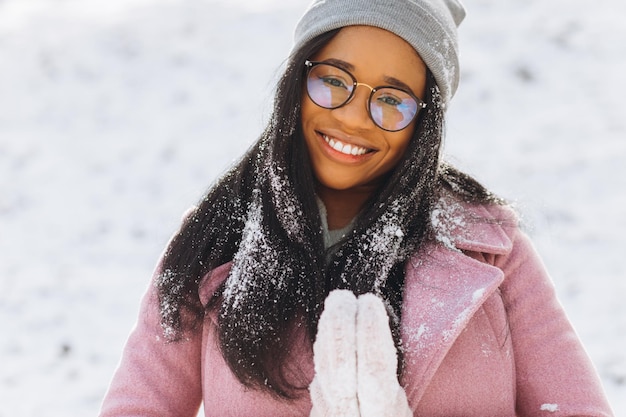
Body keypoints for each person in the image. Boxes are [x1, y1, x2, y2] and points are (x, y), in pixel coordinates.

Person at [99, 0, 615, 416]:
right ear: (297, 84)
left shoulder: (493, 252)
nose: (353, 118)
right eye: (334, 80)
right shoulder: (210, 243)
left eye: (392, 99)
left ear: (423, 124)